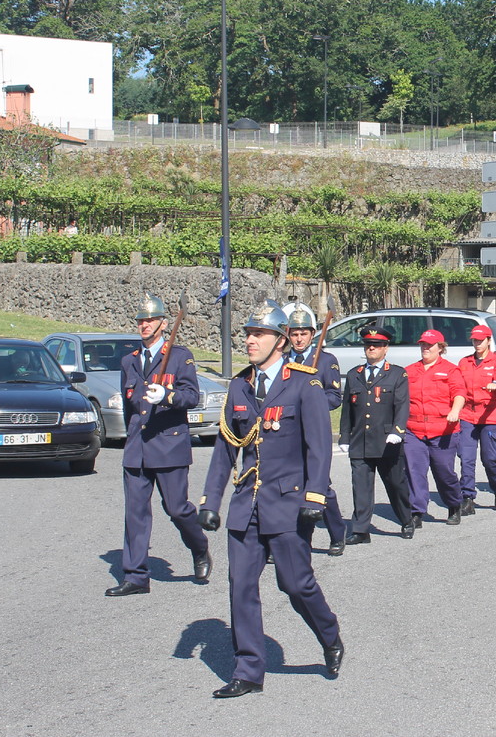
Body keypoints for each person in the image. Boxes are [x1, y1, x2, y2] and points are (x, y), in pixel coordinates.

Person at [198, 299, 342, 698]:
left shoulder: (304, 383)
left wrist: (316, 495)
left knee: (296, 585)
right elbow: (226, 447)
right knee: (240, 585)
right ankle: (248, 671)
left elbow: (319, 446)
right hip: (247, 504)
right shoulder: (240, 385)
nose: (249, 340)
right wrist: (211, 500)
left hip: (288, 503)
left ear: (280, 341)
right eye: (247, 333)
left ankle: (329, 635)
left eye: (258, 334)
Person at [106, 292, 210, 597]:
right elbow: (130, 411)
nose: (145, 325)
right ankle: (136, 575)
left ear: (164, 323)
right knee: (135, 513)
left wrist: (167, 396)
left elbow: (192, 396)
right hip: (137, 448)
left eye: (150, 320)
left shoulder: (179, 356)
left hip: (168, 445)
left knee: (177, 509)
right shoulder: (130, 361)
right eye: (141, 320)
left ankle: (199, 547)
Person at [339, 326, 415, 543]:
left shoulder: (397, 373)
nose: (371, 348)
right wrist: (345, 436)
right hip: (360, 440)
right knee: (360, 487)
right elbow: (347, 409)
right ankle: (361, 529)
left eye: (377, 345)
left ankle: (406, 519)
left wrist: (398, 431)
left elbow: (402, 405)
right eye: (368, 345)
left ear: (386, 348)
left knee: (396, 484)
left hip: (387, 441)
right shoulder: (355, 374)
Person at [282, 301, 346, 556]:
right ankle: (291, 539)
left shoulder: (325, 360)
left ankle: (337, 533)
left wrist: (312, 403)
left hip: (313, 433)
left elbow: (334, 396)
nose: (299, 339)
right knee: (286, 488)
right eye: (295, 334)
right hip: (287, 433)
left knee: (321, 487)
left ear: (312, 334)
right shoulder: (283, 361)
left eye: (304, 334)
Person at [405, 329, 466, 526]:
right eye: (422, 344)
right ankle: (417, 511)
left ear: (440, 348)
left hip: (443, 430)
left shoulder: (450, 370)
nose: (425, 348)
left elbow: (459, 393)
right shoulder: (410, 370)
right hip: (414, 429)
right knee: (414, 471)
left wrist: (455, 410)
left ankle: (454, 504)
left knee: (444, 472)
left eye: (430, 345)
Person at [457, 324, 496, 512]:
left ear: (488, 341)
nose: (477, 343)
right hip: (468, 414)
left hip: (489, 414)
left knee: (489, 459)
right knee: (466, 458)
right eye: (474, 340)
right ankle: (468, 497)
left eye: (481, 340)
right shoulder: (465, 362)